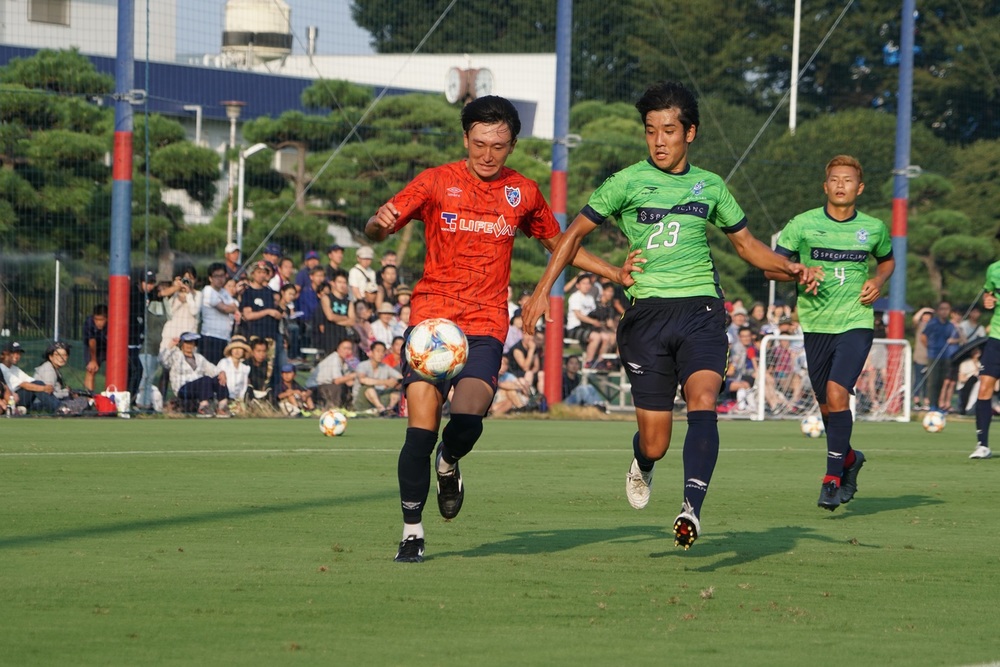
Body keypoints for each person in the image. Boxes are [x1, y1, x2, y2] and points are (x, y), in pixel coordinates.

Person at [521, 81, 811, 550]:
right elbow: (569, 236)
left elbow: (748, 248)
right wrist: (541, 292)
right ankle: (644, 462)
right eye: (651, 130)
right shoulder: (626, 182)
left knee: (703, 402)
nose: (659, 140)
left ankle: (691, 508)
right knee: (655, 441)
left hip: (701, 310)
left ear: (690, 133)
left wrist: (792, 268)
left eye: (669, 130)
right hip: (646, 318)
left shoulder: (711, 186)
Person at [366, 94, 637, 563]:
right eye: (479, 144)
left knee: (468, 421)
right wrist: (377, 224)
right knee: (419, 431)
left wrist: (614, 273)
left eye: (498, 145)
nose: (487, 154)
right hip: (432, 322)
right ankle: (412, 530)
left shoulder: (523, 192)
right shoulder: (435, 182)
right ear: (465, 139)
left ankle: (449, 463)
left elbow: (561, 244)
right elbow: (377, 227)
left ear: (511, 144)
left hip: (486, 323)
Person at [766, 154, 894, 510]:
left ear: (860, 188)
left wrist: (879, 280)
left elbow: (887, 260)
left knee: (839, 394)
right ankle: (850, 460)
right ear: (825, 186)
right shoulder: (803, 224)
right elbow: (771, 269)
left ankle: (831, 479)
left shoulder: (874, 227)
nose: (841, 185)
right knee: (826, 406)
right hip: (816, 326)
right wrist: (798, 271)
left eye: (848, 180)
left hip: (856, 322)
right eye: (834, 179)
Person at [969, 253, 1000, 459]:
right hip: (997, 338)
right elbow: (989, 294)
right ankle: (983, 445)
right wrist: (988, 300)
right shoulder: (994, 269)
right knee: (984, 388)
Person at [160, 332, 230, 417]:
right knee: (206, 379)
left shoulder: (199, 358)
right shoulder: (176, 356)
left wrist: (221, 373)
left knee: (219, 379)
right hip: (183, 388)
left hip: (199, 387)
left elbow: (212, 369)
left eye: (192, 342)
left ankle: (222, 406)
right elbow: (163, 361)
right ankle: (203, 407)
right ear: (182, 344)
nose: (189, 345)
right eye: (187, 342)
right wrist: (170, 346)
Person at [921, 301, 961, 413]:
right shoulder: (932, 323)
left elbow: (957, 339)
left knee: (942, 381)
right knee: (933, 381)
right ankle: (932, 405)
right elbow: (923, 337)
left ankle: (939, 405)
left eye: (947, 309)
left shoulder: (950, 325)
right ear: (938, 311)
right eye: (942, 309)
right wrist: (929, 348)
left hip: (946, 356)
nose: (944, 311)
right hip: (933, 355)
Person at [1, 341, 59, 413]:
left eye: (18, 353)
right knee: (37, 385)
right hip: (13, 399)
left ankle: (60, 406)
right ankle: (59, 408)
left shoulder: (15, 368)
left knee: (38, 385)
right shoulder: (2, 368)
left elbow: (30, 380)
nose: (17, 356)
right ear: (5, 354)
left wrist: (45, 387)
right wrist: (44, 388)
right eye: (13, 353)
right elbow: (24, 385)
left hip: (21, 396)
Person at [200, 262, 239, 364]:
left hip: (224, 337)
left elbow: (234, 307)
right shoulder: (208, 290)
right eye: (216, 276)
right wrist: (231, 308)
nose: (220, 279)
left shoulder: (224, 292)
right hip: (210, 337)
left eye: (222, 275)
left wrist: (231, 308)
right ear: (210, 278)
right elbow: (225, 309)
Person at [353, 340, 403, 414]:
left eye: (383, 352)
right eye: (378, 351)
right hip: (362, 399)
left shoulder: (385, 367)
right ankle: (381, 409)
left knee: (396, 392)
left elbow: (400, 377)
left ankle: (389, 410)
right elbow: (362, 380)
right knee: (368, 388)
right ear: (372, 353)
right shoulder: (363, 365)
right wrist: (386, 382)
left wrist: (397, 383)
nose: (381, 354)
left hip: (380, 395)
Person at [313, 337, 357, 409]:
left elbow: (349, 380)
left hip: (328, 386)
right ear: (338, 349)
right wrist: (355, 375)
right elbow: (337, 381)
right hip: (317, 387)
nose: (347, 351)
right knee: (338, 387)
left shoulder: (347, 361)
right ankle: (335, 408)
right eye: (345, 348)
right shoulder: (334, 359)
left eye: (349, 349)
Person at [216, 334, 252, 404]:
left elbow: (243, 387)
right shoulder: (224, 362)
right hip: (222, 398)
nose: (237, 351)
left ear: (244, 351)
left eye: (240, 348)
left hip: (237, 400)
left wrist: (240, 401)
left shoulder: (245, 368)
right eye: (234, 348)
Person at [82, 303, 108, 392]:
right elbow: (92, 342)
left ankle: (110, 396)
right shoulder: (89, 323)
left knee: (112, 370)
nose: (98, 323)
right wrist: (93, 360)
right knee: (91, 369)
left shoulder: (113, 323)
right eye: (96, 319)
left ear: (107, 318)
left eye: (102, 320)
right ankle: (88, 398)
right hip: (92, 346)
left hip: (108, 347)